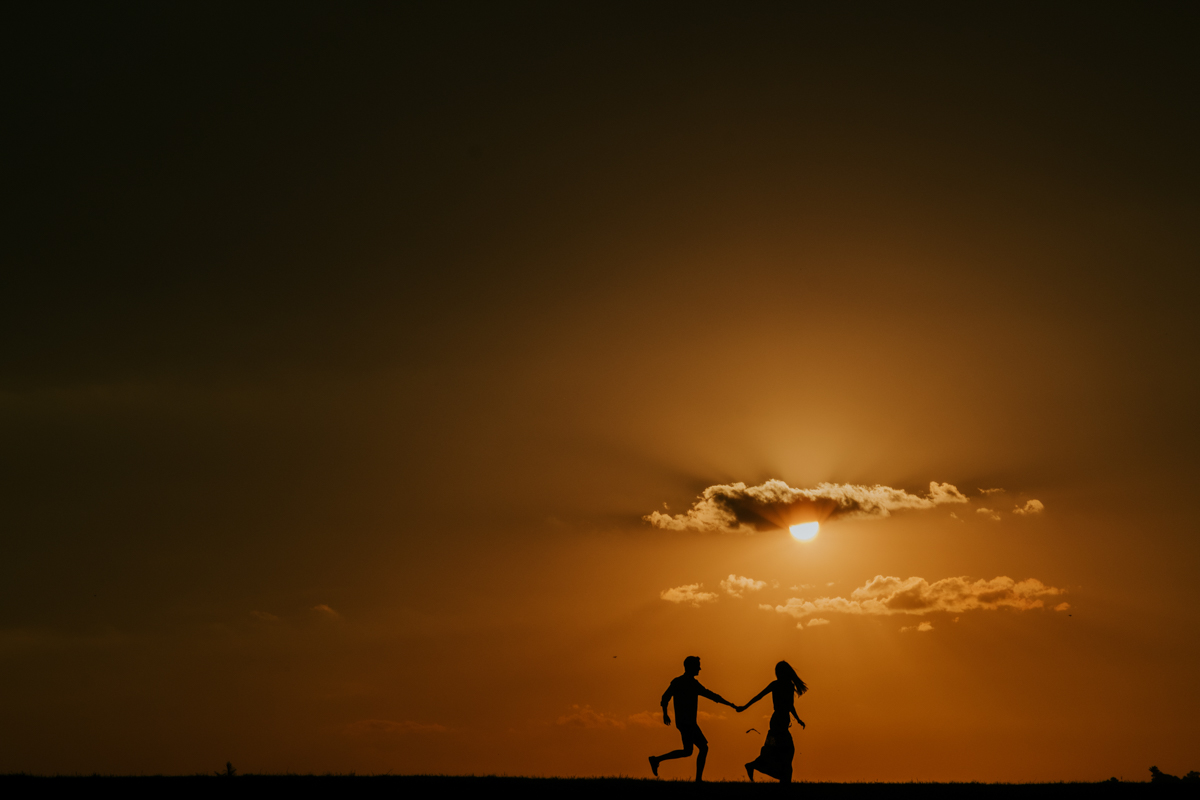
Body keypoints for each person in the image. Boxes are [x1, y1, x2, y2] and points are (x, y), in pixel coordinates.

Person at [649, 655, 738, 782]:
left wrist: (665, 713)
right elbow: (711, 695)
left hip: (684, 722)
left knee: (688, 751)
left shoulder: (679, 682)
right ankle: (698, 779)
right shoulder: (690, 684)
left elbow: (665, 698)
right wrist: (731, 705)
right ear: (691, 667)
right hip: (688, 723)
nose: (700, 669)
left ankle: (656, 760)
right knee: (703, 747)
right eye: (697, 666)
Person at [736, 660, 807, 783]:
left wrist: (798, 718)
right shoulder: (784, 685)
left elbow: (790, 705)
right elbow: (761, 697)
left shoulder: (779, 685)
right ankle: (757, 767)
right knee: (785, 751)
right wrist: (744, 707)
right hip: (779, 721)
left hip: (779, 720)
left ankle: (756, 766)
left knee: (779, 751)